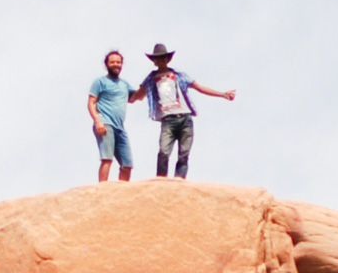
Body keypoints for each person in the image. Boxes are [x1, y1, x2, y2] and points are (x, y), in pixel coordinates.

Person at [131, 44, 234, 179]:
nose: (161, 60)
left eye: (163, 58)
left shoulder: (178, 75)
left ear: (168, 59)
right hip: (168, 119)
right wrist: (122, 97)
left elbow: (199, 87)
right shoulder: (151, 79)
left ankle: (179, 180)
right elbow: (138, 95)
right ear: (154, 61)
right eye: (158, 58)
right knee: (163, 152)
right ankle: (161, 180)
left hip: (185, 117)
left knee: (184, 153)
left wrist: (222, 94)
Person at [87, 50, 136, 183]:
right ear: (107, 64)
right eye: (112, 62)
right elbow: (91, 102)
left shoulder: (124, 85)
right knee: (107, 159)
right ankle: (102, 189)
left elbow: (136, 97)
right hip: (105, 123)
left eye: (118, 62)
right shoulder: (100, 82)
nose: (116, 64)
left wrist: (149, 84)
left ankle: (121, 193)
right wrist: (98, 121)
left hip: (120, 127)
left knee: (127, 164)